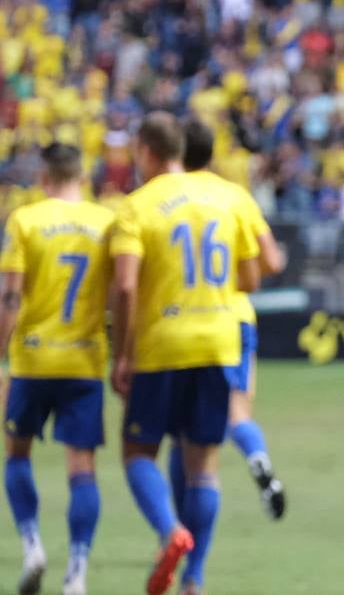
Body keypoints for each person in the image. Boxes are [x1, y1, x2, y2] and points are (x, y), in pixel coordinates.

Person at [110, 112, 261, 595]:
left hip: (162, 345)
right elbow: (252, 275)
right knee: (203, 467)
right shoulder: (227, 196)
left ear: (147, 152)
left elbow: (127, 287)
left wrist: (122, 353)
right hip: (219, 342)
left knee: (137, 452)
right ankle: (193, 580)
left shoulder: (135, 206)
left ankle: (171, 532)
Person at [0, 144, 113, 595]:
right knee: (81, 468)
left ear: (44, 177)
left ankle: (32, 547)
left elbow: (10, 297)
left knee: (17, 453)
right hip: (84, 359)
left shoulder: (25, 220)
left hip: (33, 358)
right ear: (82, 175)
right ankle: (77, 573)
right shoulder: (105, 222)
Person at [165, 118, 287, 522]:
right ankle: (258, 459)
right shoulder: (234, 197)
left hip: (182, 320)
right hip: (234, 318)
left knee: (183, 436)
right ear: (212, 155)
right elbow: (272, 260)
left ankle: (176, 536)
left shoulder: (160, 197)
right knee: (237, 416)